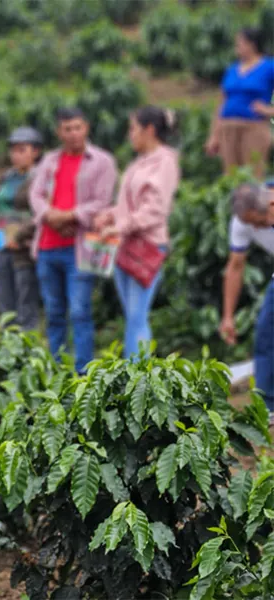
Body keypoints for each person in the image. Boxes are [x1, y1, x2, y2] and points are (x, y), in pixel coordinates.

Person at [30, 107, 118, 374]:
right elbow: (36, 195)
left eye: (77, 127)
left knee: (80, 311)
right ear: (59, 132)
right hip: (47, 246)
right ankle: (56, 368)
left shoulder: (102, 161)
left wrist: (69, 216)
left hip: (80, 248)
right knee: (54, 312)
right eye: (67, 129)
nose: (73, 134)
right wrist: (49, 215)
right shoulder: (49, 161)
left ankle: (83, 372)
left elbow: (102, 201)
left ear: (86, 128)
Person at [94, 107, 181, 359]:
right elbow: (129, 205)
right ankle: (135, 372)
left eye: (133, 128)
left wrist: (119, 225)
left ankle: (139, 377)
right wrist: (110, 215)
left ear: (150, 130)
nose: (129, 134)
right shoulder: (140, 162)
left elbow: (155, 210)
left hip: (147, 247)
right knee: (132, 315)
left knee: (137, 315)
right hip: (126, 245)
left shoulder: (164, 162)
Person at [218, 182, 274, 420]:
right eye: (250, 223)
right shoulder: (243, 221)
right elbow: (236, 267)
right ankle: (269, 406)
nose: (256, 227)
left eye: (259, 223)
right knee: (266, 330)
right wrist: (228, 316)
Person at [0, 126, 44, 331]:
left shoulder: (40, 178)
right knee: (4, 297)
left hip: (25, 247)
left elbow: (39, 214)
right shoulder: (6, 177)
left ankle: (27, 348)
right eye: (13, 150)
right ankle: (8, 345)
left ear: (35, 152)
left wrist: (20, 236)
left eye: (22, 150)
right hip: (2, 243)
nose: (16, 155)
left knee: (25, 298)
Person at [205, 27, 274, 179]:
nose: (237, 47)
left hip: (253, 128)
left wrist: (269, 111)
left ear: (252, 45)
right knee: (230, 177)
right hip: (228, 128)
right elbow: (221, 103)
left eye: (240, 43)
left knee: (253, 176)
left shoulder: (269, 67)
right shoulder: (232, 70)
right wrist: (214, 135)